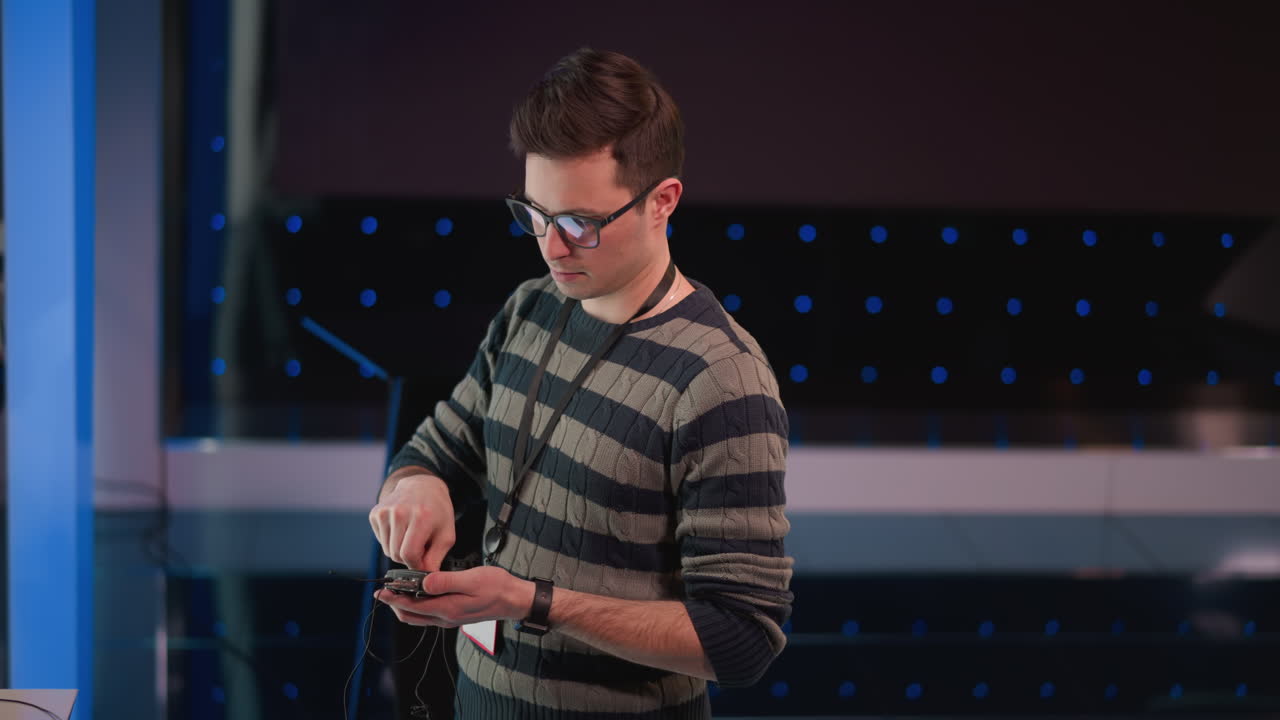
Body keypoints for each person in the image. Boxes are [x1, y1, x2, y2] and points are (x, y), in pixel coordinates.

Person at [368, 47, 793, 719]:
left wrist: (532, 602)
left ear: (663, 202)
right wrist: (416, 487)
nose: (551, 246)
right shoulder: (531, 307)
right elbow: (434, 450)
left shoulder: (720, 378)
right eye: (534, 213)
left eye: (580, 223)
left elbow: (740, 641)